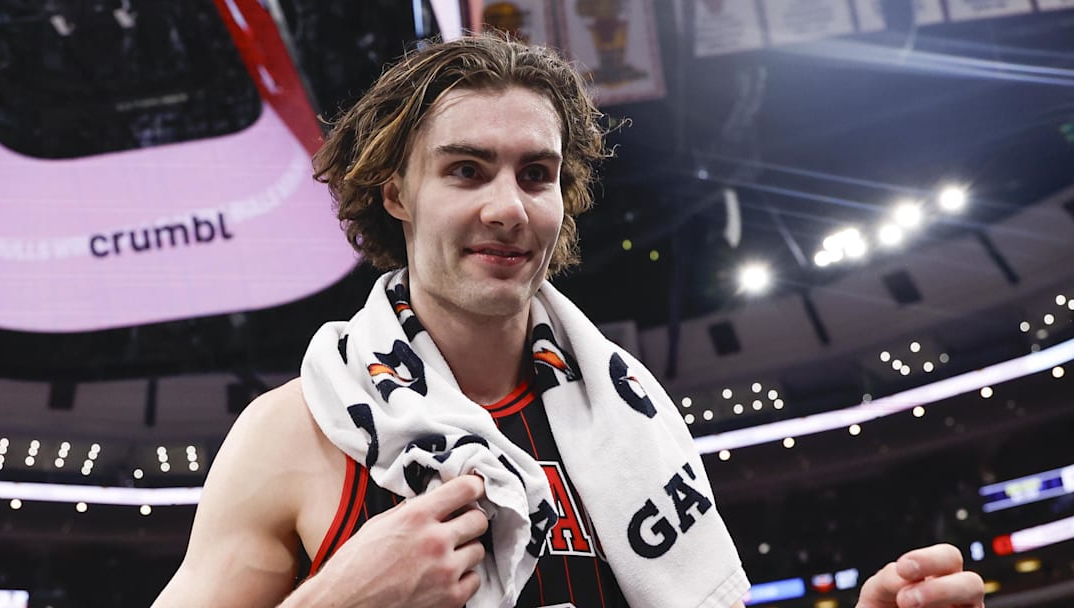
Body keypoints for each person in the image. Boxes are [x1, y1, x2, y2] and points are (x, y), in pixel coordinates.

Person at [154, 34, 985, 608]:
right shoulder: (298, 434)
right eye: (467, 170)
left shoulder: (629, 419)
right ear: (397, 194)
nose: (509, 208)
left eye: (537, 174)